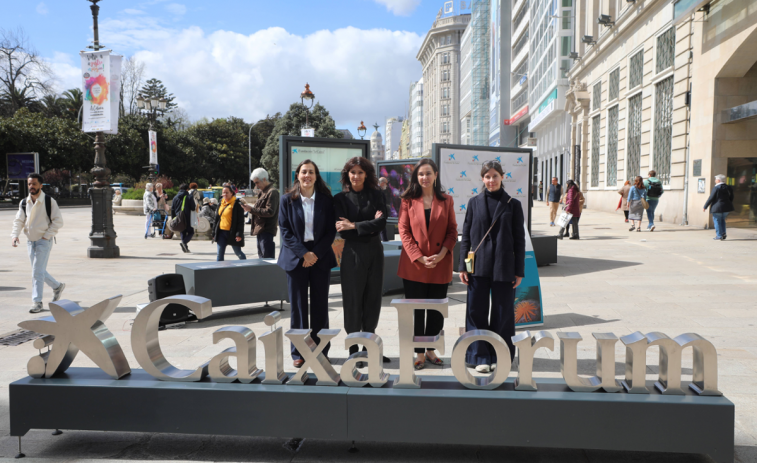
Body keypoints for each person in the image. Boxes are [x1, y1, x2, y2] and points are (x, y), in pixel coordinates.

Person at [459, 160, 525, 373]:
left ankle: (501, 354)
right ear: (482, 179)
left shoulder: (513, 204)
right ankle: (479, 356)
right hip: (477, 267)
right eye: (487, 176)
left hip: (503, 267)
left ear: (502, 177)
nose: (491, 180)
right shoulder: (474, 203)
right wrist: (463, 266)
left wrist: (519, 271)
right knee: (475, 311)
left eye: (495, 176)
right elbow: (466, 236)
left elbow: (519, 240)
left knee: (502, 312)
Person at [397, 159, 457, 370]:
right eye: (420, 174)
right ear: (416, 177)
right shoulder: (407, 200)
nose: (424, 177)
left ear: (436, 174)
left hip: (439, 263)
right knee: (417, 310)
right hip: (415, 265)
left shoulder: (447, 200)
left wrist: (441, 255)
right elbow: (403, 231)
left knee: (435, 310)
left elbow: (452, 231)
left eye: (428, 173)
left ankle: (431, 349)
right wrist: (419, 256)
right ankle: (419, 353)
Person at [278, 159, 337, 368]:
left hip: (319, 257)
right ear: (297, 175)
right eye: (304, 172)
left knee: (320, 306)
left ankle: (320, 350)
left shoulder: (326, 200)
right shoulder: (287, 200)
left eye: (311, 172)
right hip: (295, 259)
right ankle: (299, 352)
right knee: (298, 308)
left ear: (316, 176)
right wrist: (304, 254)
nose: (307, 176)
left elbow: (331, 231)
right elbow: (285, 231)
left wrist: (315, 254)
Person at [334, 157, 388, 360]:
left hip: (375, 252)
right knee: (353, 298)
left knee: (373, 298)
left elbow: (381, 223)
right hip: (352, 253)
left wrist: (355, 225)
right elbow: (342, 231)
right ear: (347, 174)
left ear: (367, 174)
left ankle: (369, 346)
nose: (356, 176)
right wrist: (368, 224)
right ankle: (354, 349)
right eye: (352, 172)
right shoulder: (340, 199)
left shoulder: (376, 194)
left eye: (360, 172)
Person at [10, 173, 65, 314]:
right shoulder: (24, 202)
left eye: (34, 184)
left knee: (36, 271)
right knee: (38, 271)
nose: (31, 186)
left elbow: (58, 221)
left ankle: (37, 302)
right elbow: (19, 220)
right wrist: (15, 236)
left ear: (41, 185)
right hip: (30, 242)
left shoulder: (48, 201)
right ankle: (57, 286)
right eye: (29, 184)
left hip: (43, 242)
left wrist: (46, 236)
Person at [241, 168, 279, 259]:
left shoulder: (272, 192)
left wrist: (252, 209)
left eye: (257, 182)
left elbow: (270, 212)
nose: (256, 185)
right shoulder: (263, 192)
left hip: (266, 230)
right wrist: (250, 208)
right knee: (262, 260)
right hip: (261, 230)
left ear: (264, 179)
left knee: (267, 260)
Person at [212, 185, 247, 261]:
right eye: (223, 193)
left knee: (239, 253)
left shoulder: (237, 204)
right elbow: (216, 219)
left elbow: (241, 221)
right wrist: (213, 233)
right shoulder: (220, 203)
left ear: (231, 193)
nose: (225, 194)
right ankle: (219, 271)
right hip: (221, 233)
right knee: (219, 254)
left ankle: (246, 268)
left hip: (232, 233)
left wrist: (239, 234)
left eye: (227, 192)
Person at [703, 174, 734, 241]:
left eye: (716, 179)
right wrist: (728, 203)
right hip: (726, 207)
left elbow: (711, 198)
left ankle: (719, 235)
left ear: (718, 180)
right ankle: (723, 234)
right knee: (722, 220)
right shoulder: (728, 187)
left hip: (717, 208)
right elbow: (731, 197)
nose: (715, 180)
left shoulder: (716, 188)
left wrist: (705, 206)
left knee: (717, 221)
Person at [172, 183, 197, 253]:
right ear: (187, 189)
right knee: (191, 232)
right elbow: (193, 208)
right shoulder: (189, 197)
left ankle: (185, 247)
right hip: (187, 218)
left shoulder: (175, 197)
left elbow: (172, 209)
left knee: (182, 231)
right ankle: (184, 242)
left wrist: (173, 218)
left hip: (178, 218)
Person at [378, 177, 393, 241]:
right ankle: (385, 242)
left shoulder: (379, 190)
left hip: (380, 215)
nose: (387, 185)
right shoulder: (377, 191)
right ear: (382, 183)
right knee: (382, 230)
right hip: (380, 215)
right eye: (386, 183)